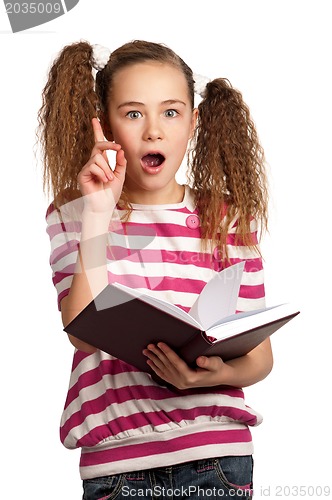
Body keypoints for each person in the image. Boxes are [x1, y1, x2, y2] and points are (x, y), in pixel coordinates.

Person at [39, 39, 272, 499]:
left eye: (170, 112)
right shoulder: (75, 211)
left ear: (193, 123)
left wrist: (209, 376)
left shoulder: (225, 217)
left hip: (218, 458)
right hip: (118, 464)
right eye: (132, 114)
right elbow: (82, 330)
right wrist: (98, 215)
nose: (153, 132)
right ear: (104, 125)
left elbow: (259, 358)